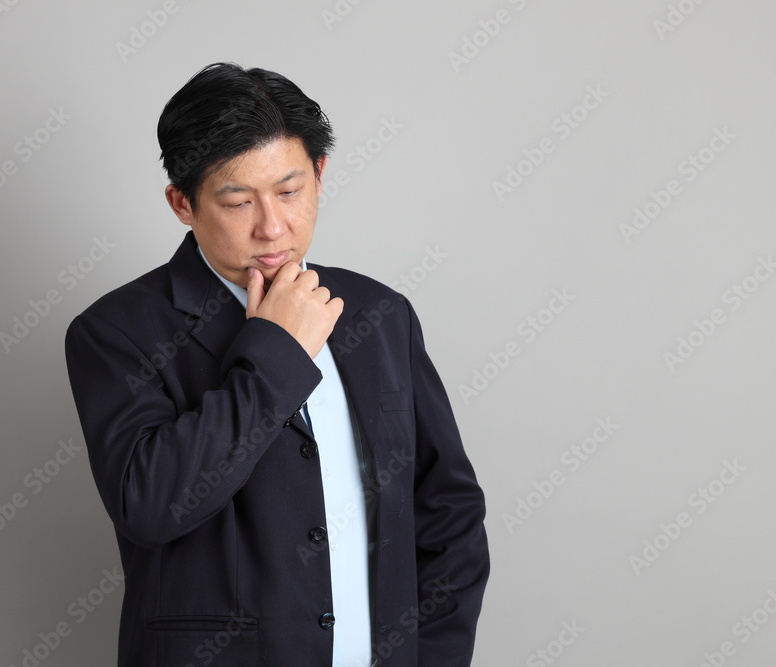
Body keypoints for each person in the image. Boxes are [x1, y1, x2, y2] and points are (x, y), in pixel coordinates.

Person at [64, 62, 489, 667]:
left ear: (320, 173)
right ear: (182, 203)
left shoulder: (380, 314)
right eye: (239, 201)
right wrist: (278, 351)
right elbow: (152, 506)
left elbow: (449, 512)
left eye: (289, 192)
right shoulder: (115, 332)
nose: (272, 226)